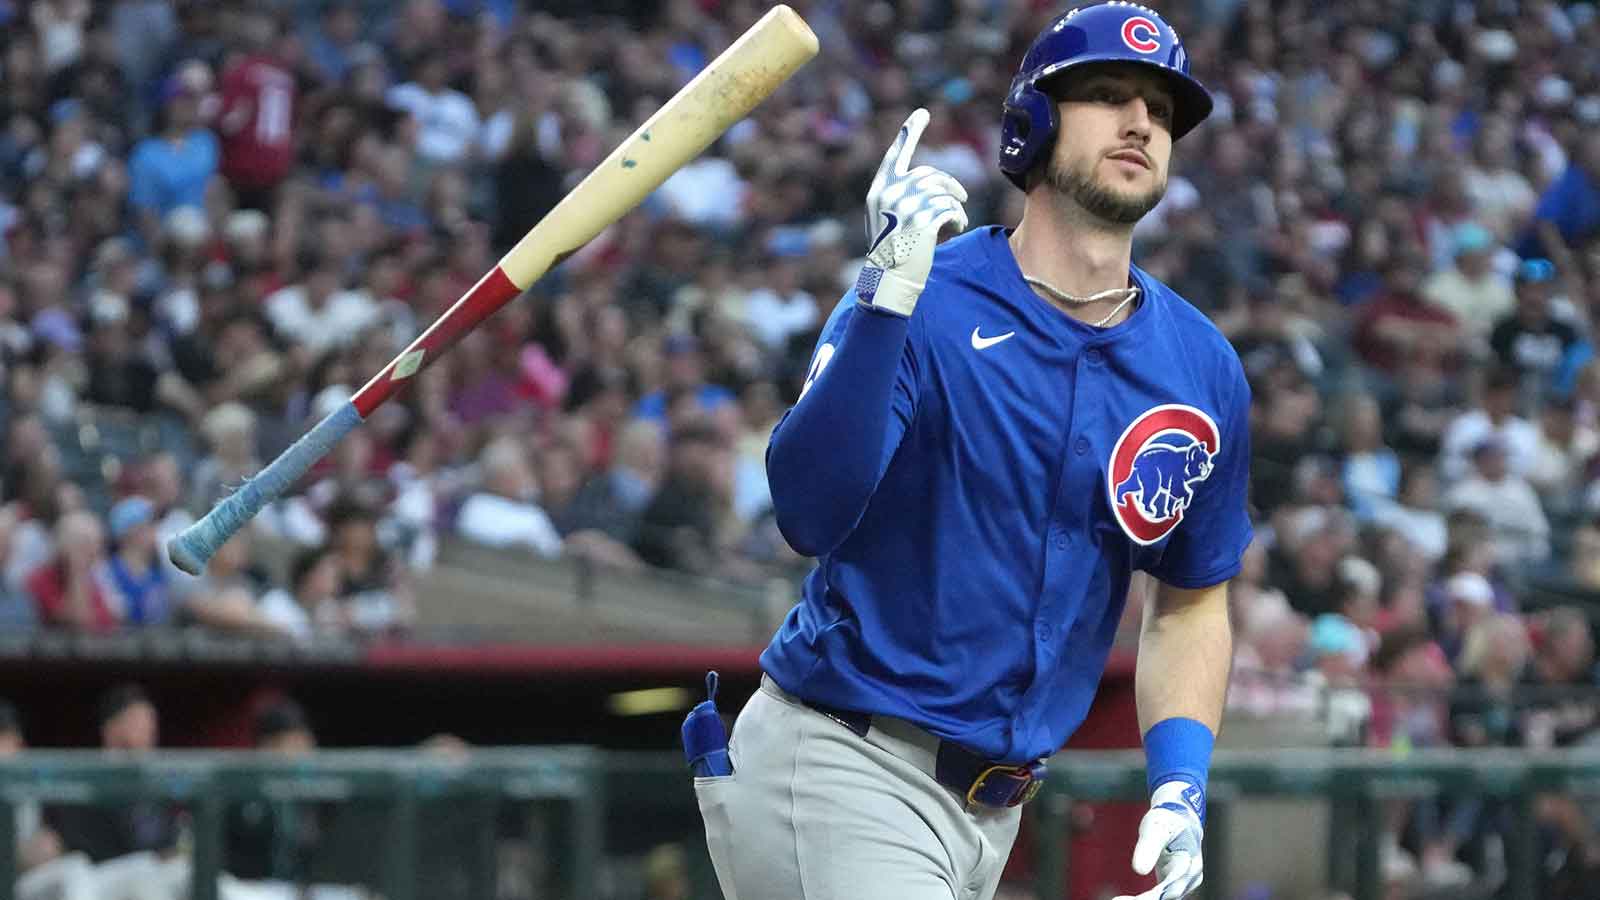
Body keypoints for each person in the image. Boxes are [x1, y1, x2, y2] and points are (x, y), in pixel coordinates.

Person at [693, 7, 1251, 900]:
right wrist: (883, 298)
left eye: (1160, 109)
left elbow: (1190, 602)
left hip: (996, 813)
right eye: (1107, 95)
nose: (1140, 122)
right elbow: (807, 513)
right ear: (1033, 122)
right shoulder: (925, 294)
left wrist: (1180, 782)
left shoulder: (1200, 365)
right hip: (844, 762)